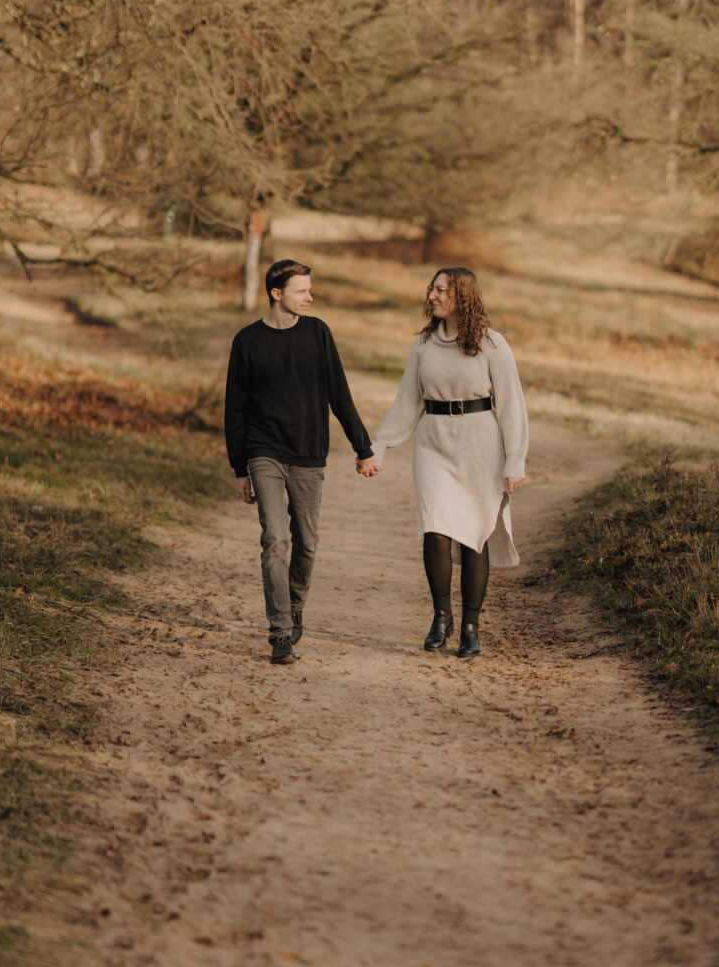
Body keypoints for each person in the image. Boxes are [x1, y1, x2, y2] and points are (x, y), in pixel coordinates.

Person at [358, 266, 527, 658]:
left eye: (441, 290)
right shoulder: (424, 345)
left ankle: (470, 626)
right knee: (434, 528)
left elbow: (512, 405)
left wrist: (515, 459)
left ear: (462, 295)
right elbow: (407, 402)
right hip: (433, 444)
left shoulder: (491, 343)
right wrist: (379, 445)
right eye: (432, 289)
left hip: (481, 445)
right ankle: (441, 616)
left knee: (474, 535)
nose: (432, 296)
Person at [225, 259, 379, 665]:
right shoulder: (247, 342)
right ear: (277, 294)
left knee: (306, 543)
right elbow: (235, 409)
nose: (310, 297)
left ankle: (294, 604)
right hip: (264, 452)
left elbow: (339, 394)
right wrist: (239, 468)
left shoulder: (318, 333)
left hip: (309, 453)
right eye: (302, 290)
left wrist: (363, 447)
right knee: (275, 539)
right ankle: (280, 632)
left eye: (310, 290)